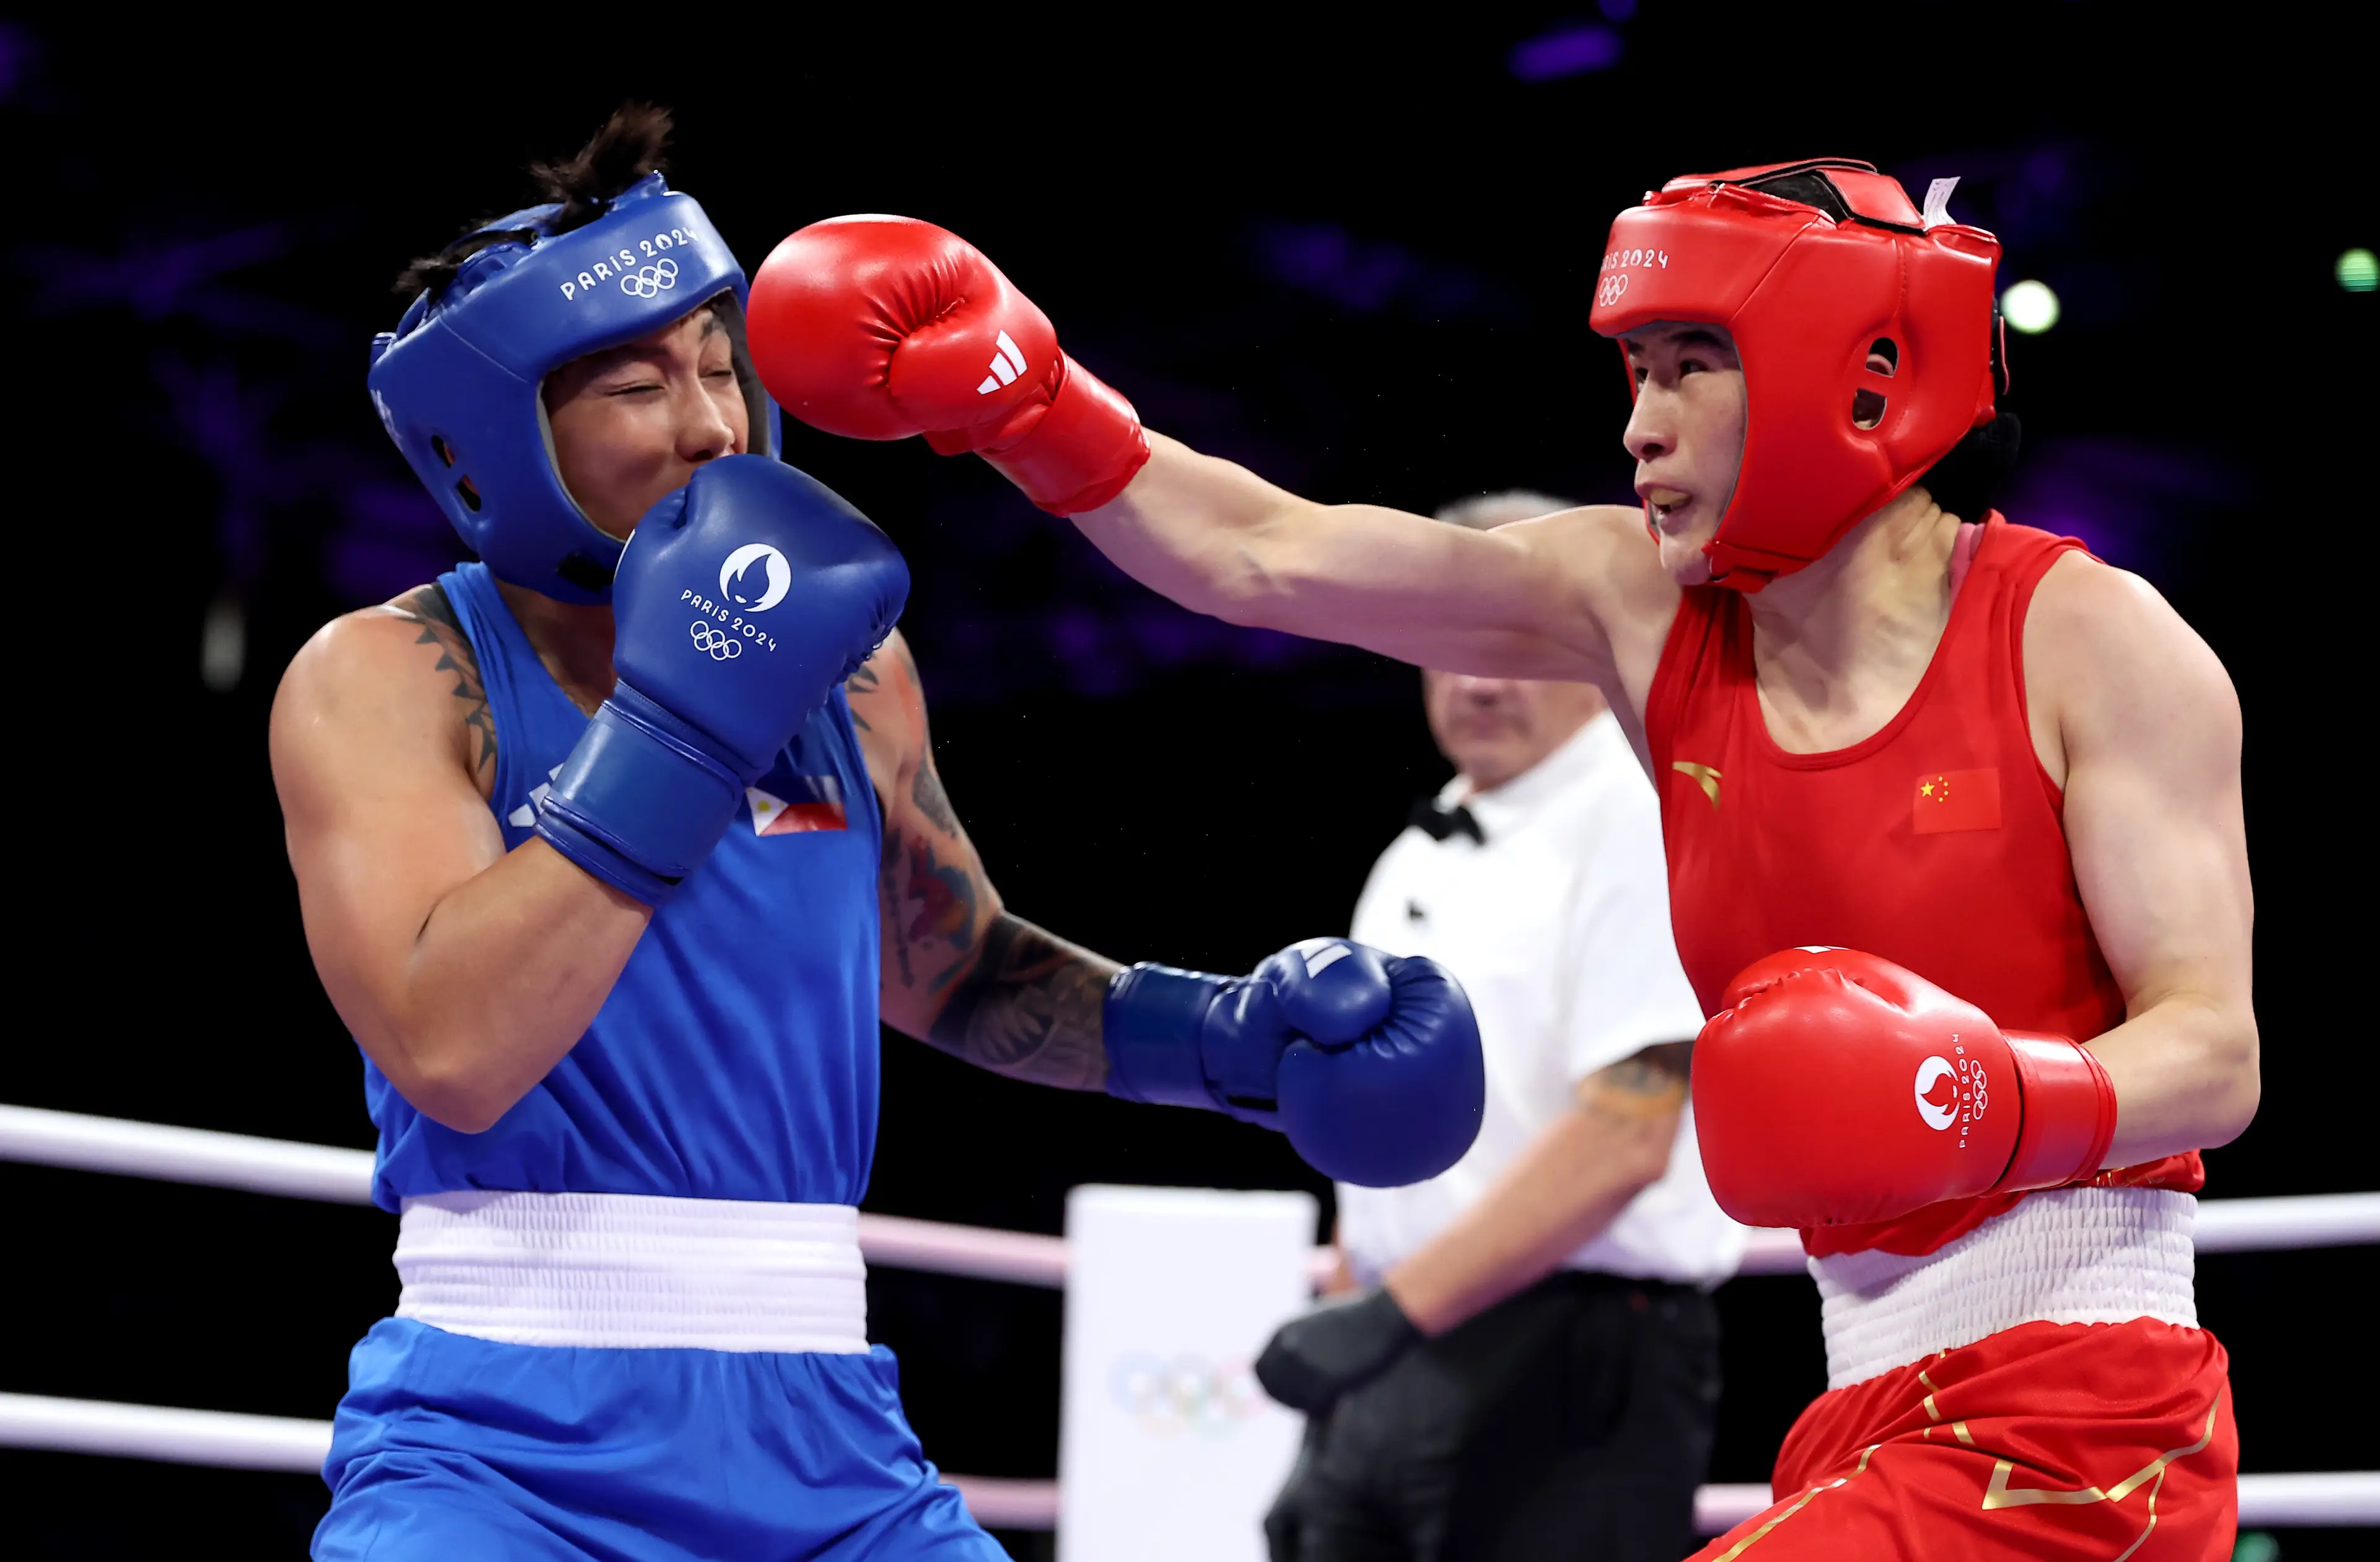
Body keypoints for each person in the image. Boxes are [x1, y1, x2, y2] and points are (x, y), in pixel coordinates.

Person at [751, 159, 2257, 1560]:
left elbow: (2215, 1049)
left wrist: (1978, 1093)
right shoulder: (1638, 608)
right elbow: (1263, 555)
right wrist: (1032, 404)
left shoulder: (2090, 637)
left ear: (1852, 372)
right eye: (1636, 372)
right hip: (1861, 1390)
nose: (1637, 427)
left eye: (1690, 367)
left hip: (2087, 1409)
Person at [270, 105, 1486, 1561]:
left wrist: (1220, 1041)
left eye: (720, 365)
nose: (712, 423)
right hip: (502, 1440)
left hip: (829, 1438)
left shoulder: (850, 668)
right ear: (494, 441)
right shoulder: (390, 674)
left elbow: (953, 967)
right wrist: (681, 728)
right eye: (637, 385)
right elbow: (455, 1050)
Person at [1252, 491, 1742, 1562]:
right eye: (1451, 641)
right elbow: (1370, 1150)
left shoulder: (1643, 815)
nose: (1475, 680)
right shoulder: (1411, 856)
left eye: (1508, 645)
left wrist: (1386, 1322)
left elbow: (1628, 1133)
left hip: (1572, 1352)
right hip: (1393, 1350)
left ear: (1580, 632)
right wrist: (1333, 1405)